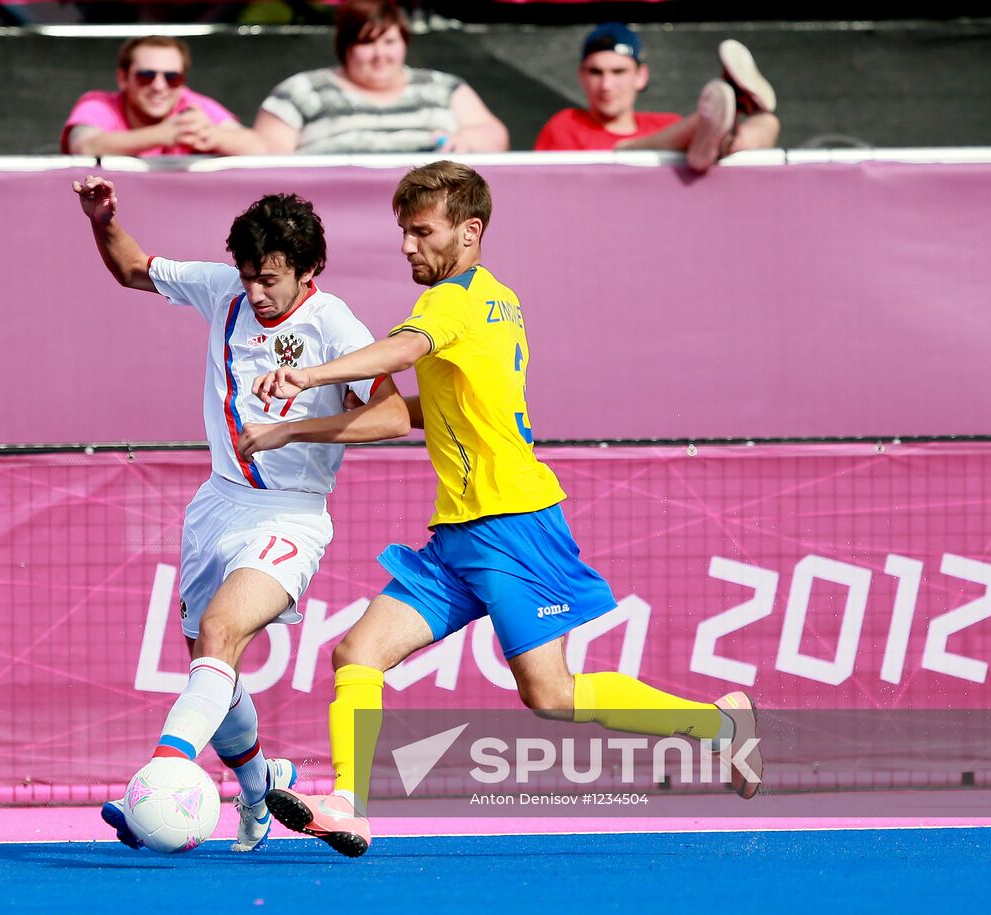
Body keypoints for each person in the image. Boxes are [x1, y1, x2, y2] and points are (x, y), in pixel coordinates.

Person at [247, 161, 763, 858]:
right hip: (459, 535)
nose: (406, 245)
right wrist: (290, 429)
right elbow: (416, 412)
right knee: (357, 651)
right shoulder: (497, 299)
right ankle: (350, 803)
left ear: (469, 231)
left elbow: (404, 349)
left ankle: (719, 725)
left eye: (420, 231)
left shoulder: (449, 305)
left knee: (549, 693)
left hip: (511, 526)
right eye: (403, 230)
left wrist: (308, 375)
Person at [72, 175, 408, 852]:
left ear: (309, 270)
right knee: (210, 664)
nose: (256, 293)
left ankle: (164, 775)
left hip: (290, 515)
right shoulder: (224, 290)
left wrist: (294, 431)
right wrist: (103, 219)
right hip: (216, 504)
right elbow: (133, 268)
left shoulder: (333, 323)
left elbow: (397, 414)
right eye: (249, 276)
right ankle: (258, 791)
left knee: (224, 629)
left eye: (272, 280)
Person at [252, 0, 508, 155]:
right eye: (367, 42)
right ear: (346, 47)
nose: (380, 54)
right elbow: (268, 155)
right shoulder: (301, 90)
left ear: (404, 43)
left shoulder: (443, 87)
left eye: (389, 41)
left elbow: (495, 137)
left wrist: (468, 140)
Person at [535, 23, 780, 173]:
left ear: (641, 76)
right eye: (596, 72)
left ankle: (732, 128)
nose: (607, 85)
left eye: (618, 72)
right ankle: (734, 105)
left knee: (768, 122)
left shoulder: (666, 123)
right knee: (628, 150)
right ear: (581, 76)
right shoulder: (566, 124)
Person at [61, 36, 264, 158]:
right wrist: (162, 134)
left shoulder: (193, 105)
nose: (159, 86)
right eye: (146, 76)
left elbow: (260, 148)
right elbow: (84, 147)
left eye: (172, 77)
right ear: (123, 78)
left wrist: (212, 136)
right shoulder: (98, 104)